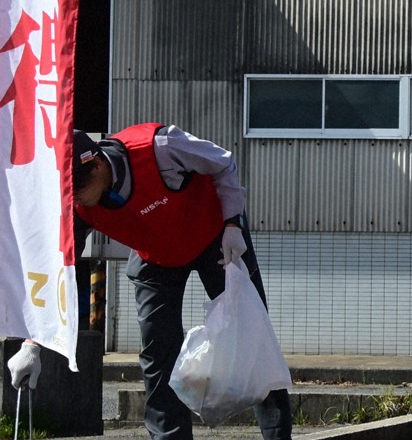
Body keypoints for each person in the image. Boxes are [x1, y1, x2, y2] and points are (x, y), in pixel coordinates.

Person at [70, 126, 291, 440]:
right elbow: (61, 268)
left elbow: (223, 162)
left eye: (78, 188)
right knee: (158, 354)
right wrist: (33, 345)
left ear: (98, 164)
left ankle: (278, 435)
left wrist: (232, 222)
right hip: (155, 256)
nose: (75, 198)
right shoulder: (77, 207)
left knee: (253, 335)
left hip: (215, 236)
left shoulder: (160, 148)